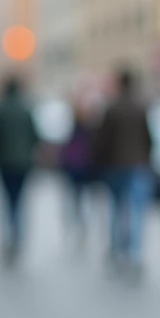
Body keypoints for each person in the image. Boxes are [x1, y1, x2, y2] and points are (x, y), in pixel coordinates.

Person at [92, 68, 154, 279]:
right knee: (136, 212)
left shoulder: (112, 108)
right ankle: (135, 255)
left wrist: (100, 164)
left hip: (115, 166)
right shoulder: (141, 107)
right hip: (138, 166)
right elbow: (149, 138)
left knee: (116, 210)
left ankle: (117, 252)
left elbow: (102, 141)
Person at [0, 75, 40, 264]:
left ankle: (8, 237)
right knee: (20, 201)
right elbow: (36, 135)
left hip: (4, 163)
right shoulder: (26, 109)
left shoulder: (0, 109)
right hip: (24, 163)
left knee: (7, 201)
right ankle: (19, 238)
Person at [60, 99, 96, 249]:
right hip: (83, 168)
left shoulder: (74, 129)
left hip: (75, 168)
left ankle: (77, 224)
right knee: (82, 199)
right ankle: (80, 224)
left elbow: (67, 150)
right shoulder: (89, 130)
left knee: (75, 199)